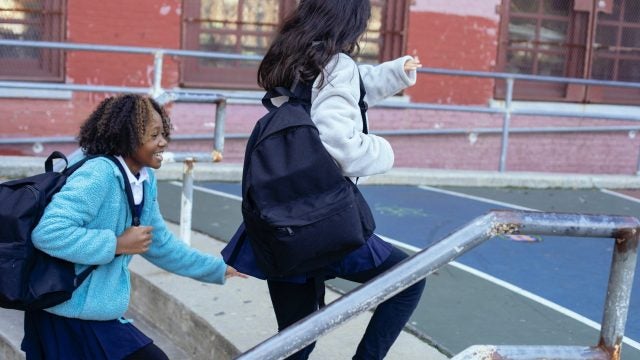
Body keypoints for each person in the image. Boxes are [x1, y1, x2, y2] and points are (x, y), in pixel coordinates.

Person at [225, 0, 425, 359]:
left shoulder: (291, 59)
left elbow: (340, 90)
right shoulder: (338, 66)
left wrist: (395, 72)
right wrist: (384, 150)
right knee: (408, 279)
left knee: (296, 340)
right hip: (323, 220)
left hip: (280, 219)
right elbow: (339, 142)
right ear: (351, 22)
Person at [22, 94, 246, 360]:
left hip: (93, 312)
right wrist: (116, 244)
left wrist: (218, 268)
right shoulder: (100, 174)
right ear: (126, 138)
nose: (163, 142)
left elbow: (159, 243)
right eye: (154, 135)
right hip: (66, 314)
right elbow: (49, 232)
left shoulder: (143, 179)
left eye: (164, 133)